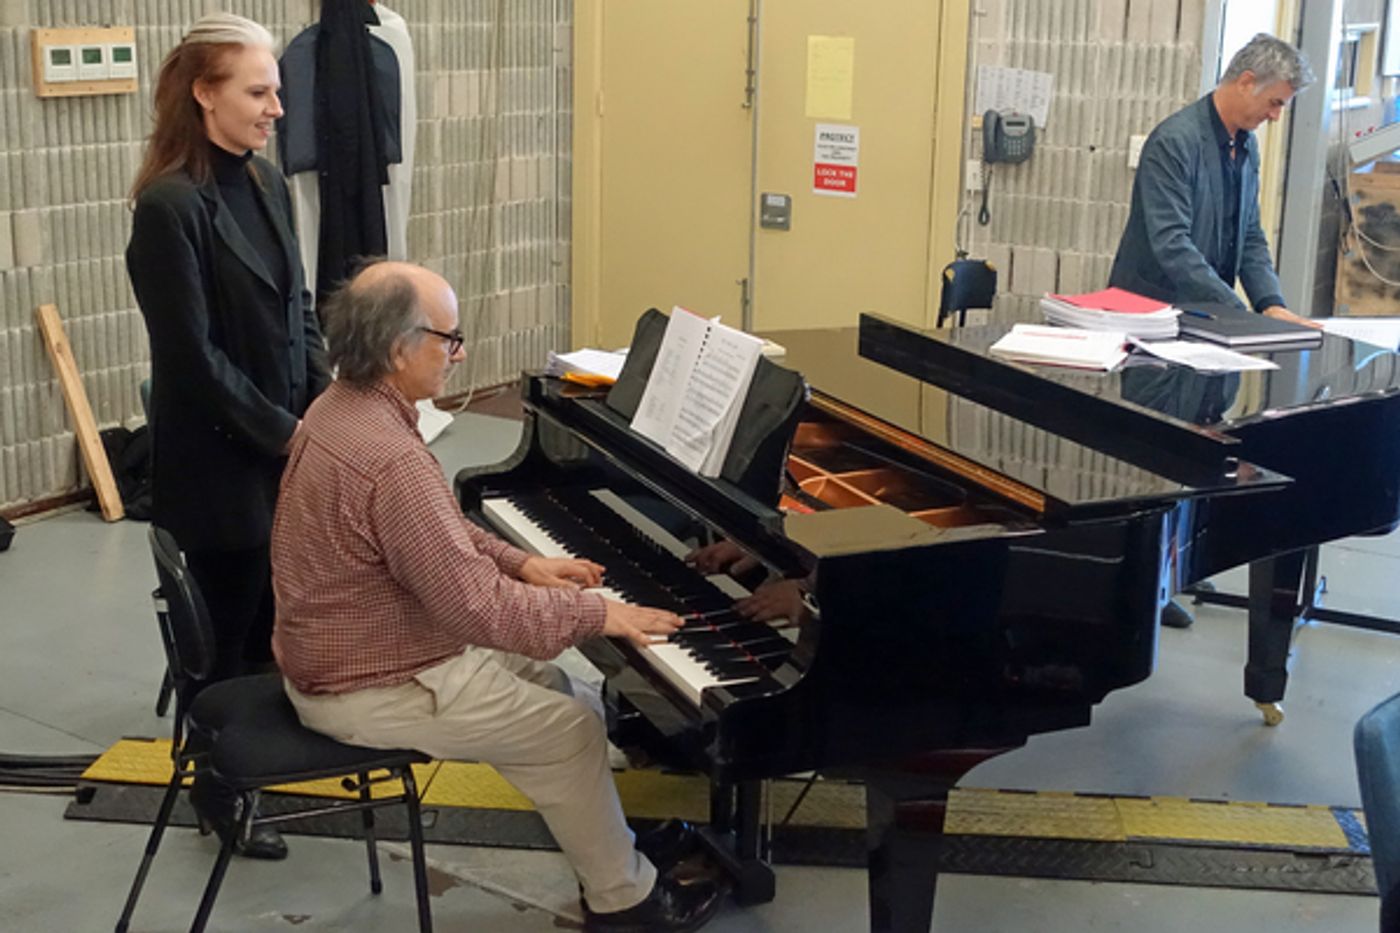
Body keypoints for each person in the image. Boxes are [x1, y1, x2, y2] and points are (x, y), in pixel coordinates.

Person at [269, 260, 723, 933]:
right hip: (366, 681)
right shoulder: (391, 458)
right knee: (569, 730)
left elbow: (437, 539)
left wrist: (521, 562)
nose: (459, 353)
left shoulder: (338, 408)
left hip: (360, 644)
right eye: (448, 339)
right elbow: (477, 610)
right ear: (398, 348)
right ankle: (625, 903)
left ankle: (607, 846)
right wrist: (600, 612)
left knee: (558, 686)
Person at [126, 12, 330, 859]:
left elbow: (300, 315)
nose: (277, 107)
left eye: (277, 90)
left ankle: (257, 755)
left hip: (284, 450)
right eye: (258, 91)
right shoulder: (169, 208)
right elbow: (194, 363)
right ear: (204, 96)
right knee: (226, 638)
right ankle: (222, 787)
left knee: (275, 625)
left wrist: (331, 409)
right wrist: (288, 435)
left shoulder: (271, 185)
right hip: (218, 469)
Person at [1108, 32, 1315, 629]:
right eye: (1275, 103)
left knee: (1197, 450)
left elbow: (1248, 237)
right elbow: (1173, 247)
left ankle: (1169, 576)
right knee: (1149, 458)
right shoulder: (1174, 143)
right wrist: (1236, 313)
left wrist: (1270, 304)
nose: (1276, 117)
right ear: (1246, 81)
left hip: (1206, 323)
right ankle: (1140, 588)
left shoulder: (1242, 147)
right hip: (1155, 323)